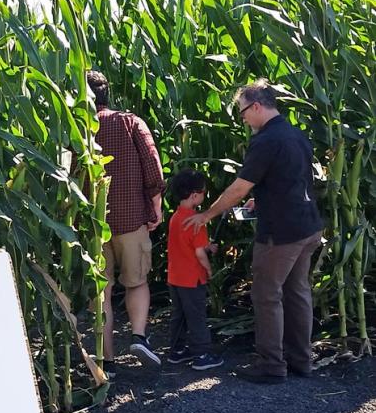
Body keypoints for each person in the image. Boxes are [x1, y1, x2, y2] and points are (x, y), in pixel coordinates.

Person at [184, 79, 323, 384]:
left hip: (281, 233)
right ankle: (301, 361)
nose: (243, 118)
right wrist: (261, 198)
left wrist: (207, 214)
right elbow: (291, 179)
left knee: (266, 294)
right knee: (298, 291)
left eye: (243, 112)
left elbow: (238, 187)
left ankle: (271, 365)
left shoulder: (265, 140)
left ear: (257, 106)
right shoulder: (295, 134)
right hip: (308, 226)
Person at [86, 71, 165, 375]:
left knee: (101, 291)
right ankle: (138, 337)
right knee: (137, 281)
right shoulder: (129, 122)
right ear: (106, 92)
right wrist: (155, 206)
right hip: (132, 219)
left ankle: (107, 359)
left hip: (92, 223)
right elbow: (152, 166)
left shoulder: (76, 129)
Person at [166, 169, 223, 370]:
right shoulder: (196, 220)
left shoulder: (176, 217)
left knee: (179, 314)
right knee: (197, 315)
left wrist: (208, 246)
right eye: (203, 192)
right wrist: (208, 269)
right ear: (194, 195)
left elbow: (187, 244)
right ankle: (201, 354)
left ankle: (177, 351)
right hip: (192, 279)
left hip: (175, 278)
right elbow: (199, 254)